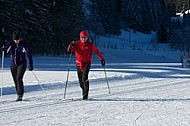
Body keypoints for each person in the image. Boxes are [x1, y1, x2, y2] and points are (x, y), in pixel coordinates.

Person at [67, 30, 105, 100]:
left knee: (84, 78)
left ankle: (86, 93)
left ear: (87, 37)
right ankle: (83, 89)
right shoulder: (77, 43)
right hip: (78, 63)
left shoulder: (90, 45)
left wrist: (102, 59)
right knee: (80, 79)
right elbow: (69, 50)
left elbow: (96, 51)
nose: (83, 39)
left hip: (87, 63)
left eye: (85, 37)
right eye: (82, 37)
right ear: (80, 37)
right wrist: (71, 45)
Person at [1, 30, 33, 101]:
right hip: (13, 64)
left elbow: (29, 54)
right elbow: (6, 50)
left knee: (19, 78)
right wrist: (3, 49)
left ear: (20, 38)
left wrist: (31, 64)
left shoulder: (23, 44)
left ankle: (20, 94)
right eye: (15, 39)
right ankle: (18, 92)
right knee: (15, 79)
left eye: (17, 39)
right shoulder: (10, 43)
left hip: (22, 63)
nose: (16, 41)